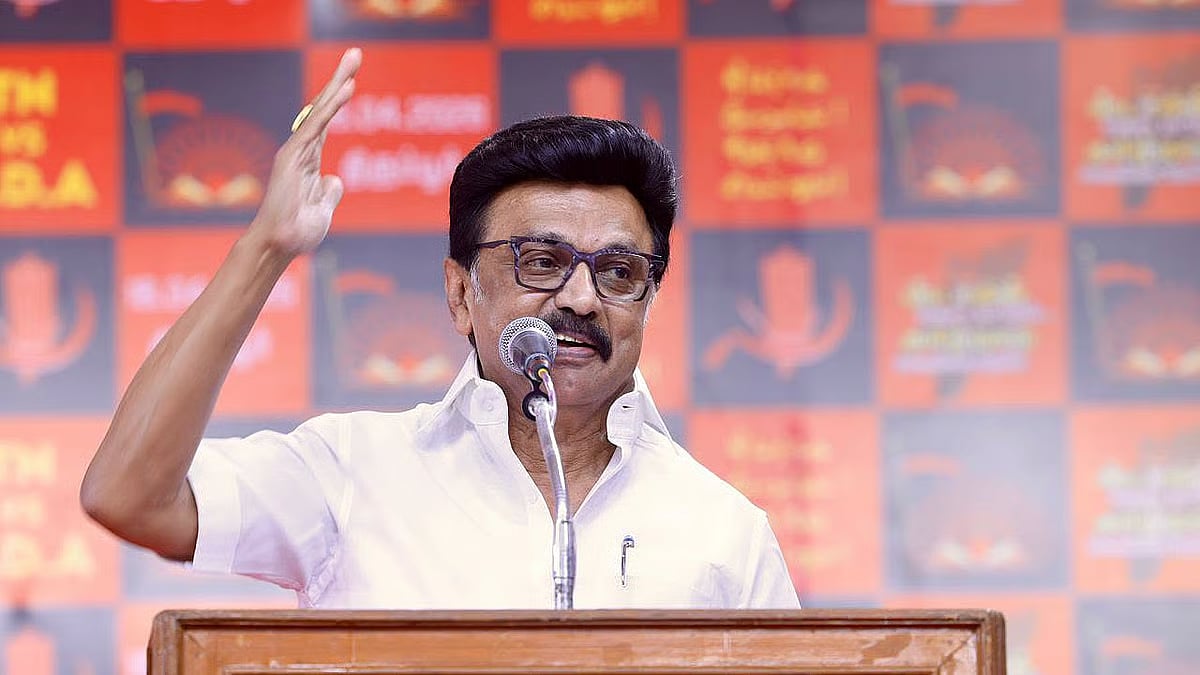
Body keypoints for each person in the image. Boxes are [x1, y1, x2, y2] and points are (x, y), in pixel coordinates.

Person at [80, 48, 799, 610]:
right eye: (541, 261)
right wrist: (267, 249)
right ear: (461, 294)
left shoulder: (724, 532)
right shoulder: (355, 472)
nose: (582, 298)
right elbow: (129, 495)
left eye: (617, 271)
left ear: (648, 300)